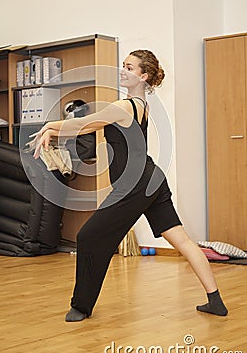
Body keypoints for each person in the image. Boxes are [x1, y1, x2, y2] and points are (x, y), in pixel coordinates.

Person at [31, 49, 228, 321]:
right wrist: (53, 130)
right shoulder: (140, 104)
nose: (123, 70)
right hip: (151, 180)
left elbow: (86, 124)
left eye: (130, 68)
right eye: (123, 65)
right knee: (181, 240)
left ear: (144, 76)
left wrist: (49, 126)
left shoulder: (125, 107)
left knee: (88, 237)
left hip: (135, 185)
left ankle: (80, 307)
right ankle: (215, 301)